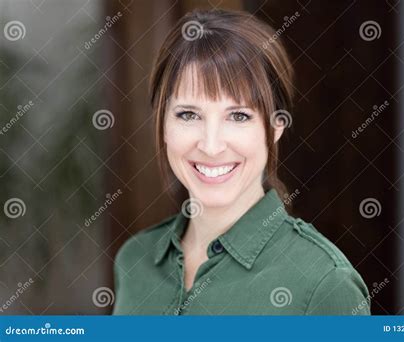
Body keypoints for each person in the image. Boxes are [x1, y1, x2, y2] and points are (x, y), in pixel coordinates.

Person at [112, 8, 370, 315]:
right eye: (189, 114)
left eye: (238, 116)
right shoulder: (135, 261)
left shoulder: (324, 284)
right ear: (163, 124)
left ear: (276, 126)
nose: (211, 145)